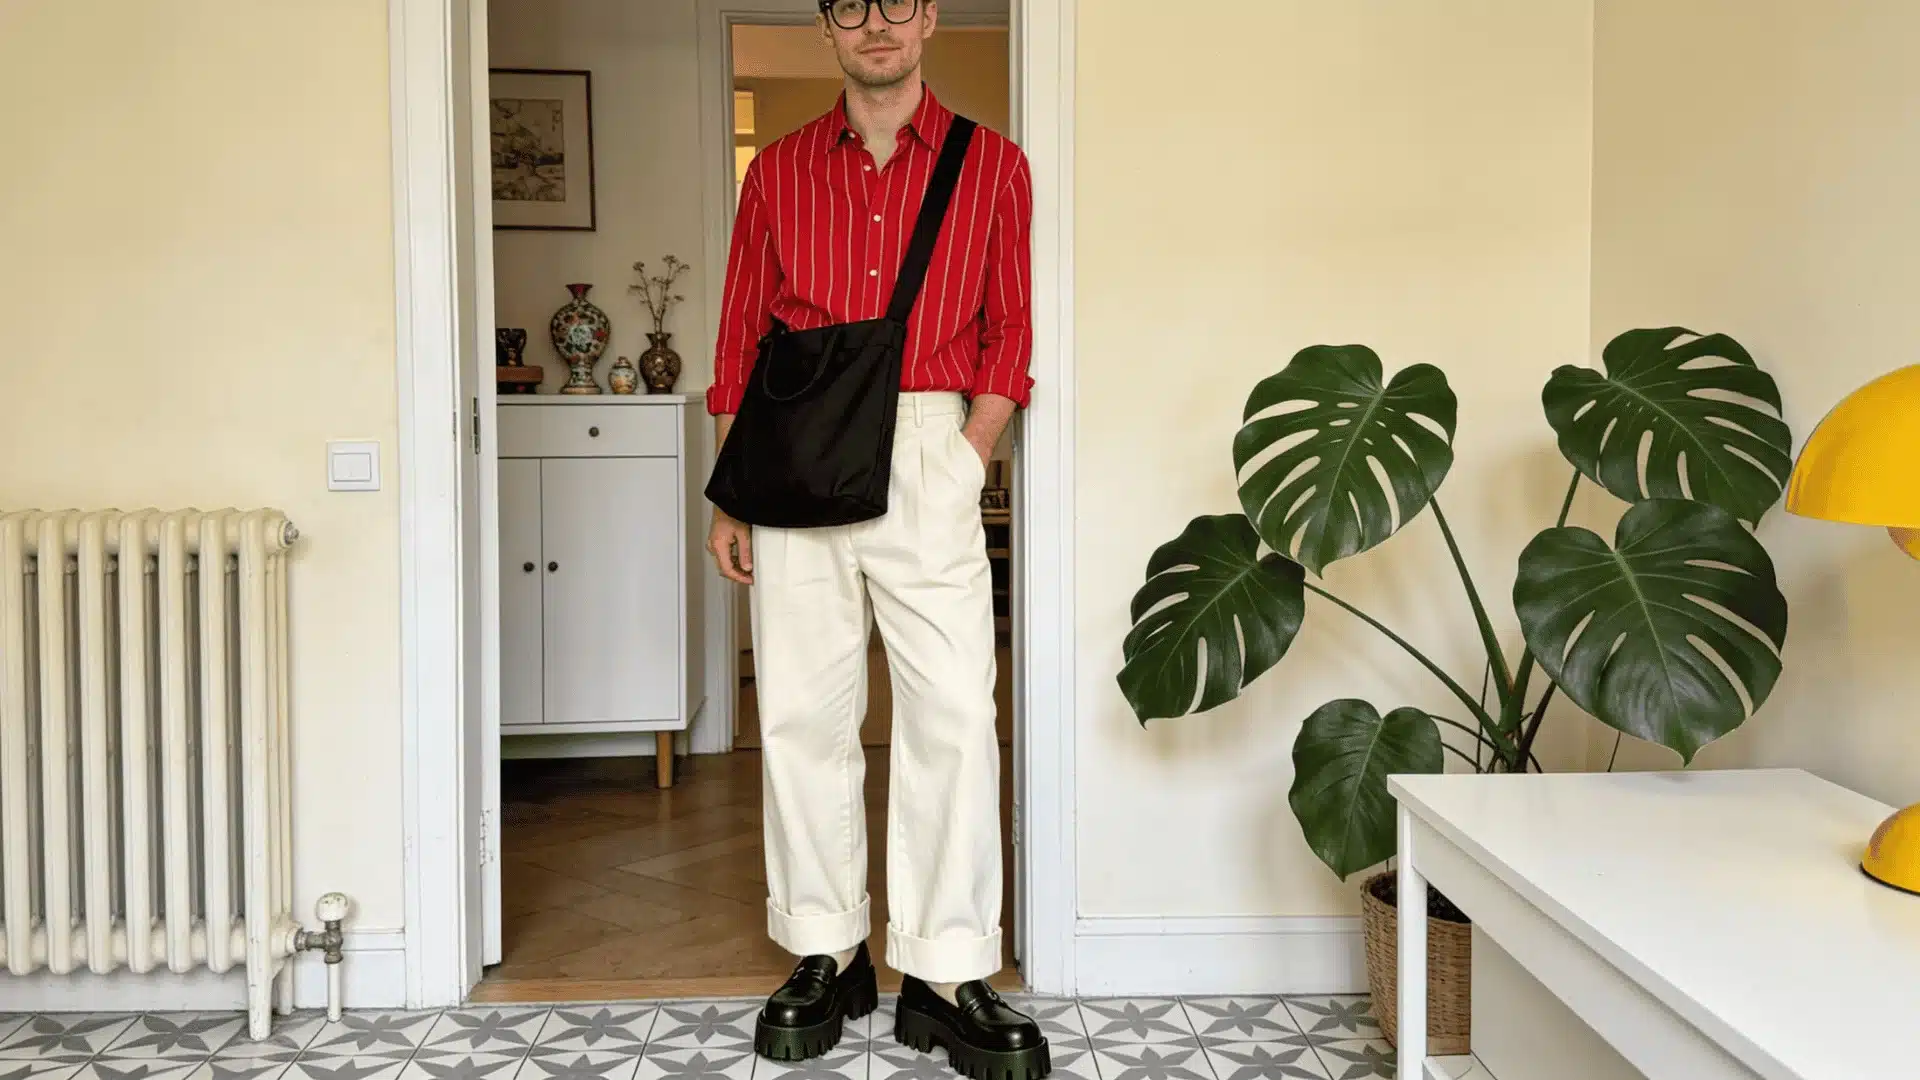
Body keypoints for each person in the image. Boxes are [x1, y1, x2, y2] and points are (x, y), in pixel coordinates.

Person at [704, 1, 1045, 1078]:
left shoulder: (992, 165)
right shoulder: (782, 171)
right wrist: (729, 493)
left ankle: (946, 971)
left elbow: (1011, 326)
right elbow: (740, 328)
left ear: (930, 15)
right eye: (853, 4)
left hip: (926, 441)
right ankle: (826, 947)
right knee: (804, 707)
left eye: (898, 0)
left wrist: (965, 451)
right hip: (796, 450)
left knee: (951, 707)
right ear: (828, 27)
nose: (878, 23)